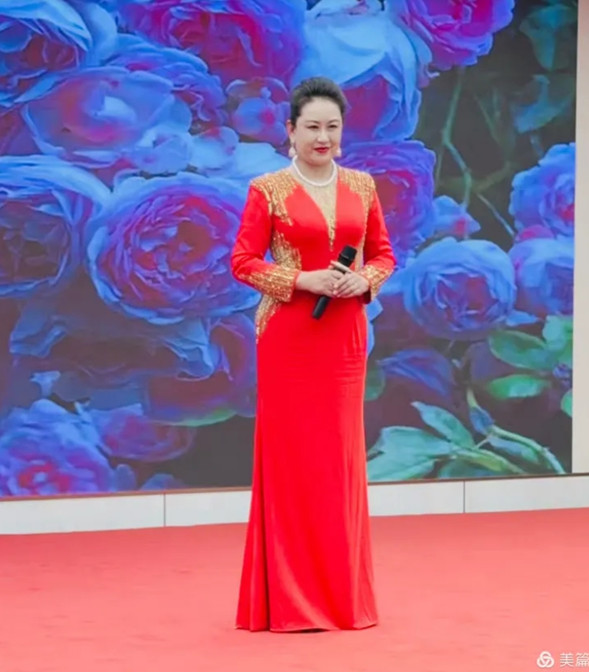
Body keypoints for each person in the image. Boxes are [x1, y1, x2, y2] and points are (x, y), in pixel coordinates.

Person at [230, 76, 396, 633]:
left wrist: (363, 281)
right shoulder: (267, 189)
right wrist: (304, 279)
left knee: (338, 462)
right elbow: (243, 262)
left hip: (344, 337)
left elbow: (383, 255)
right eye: (312, 127)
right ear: (291, 131)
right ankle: (290, 599)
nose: (323, 137)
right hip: (289, 337)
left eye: (332, 127)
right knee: (293, 461)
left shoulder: (362, 187)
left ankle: (342, 597)